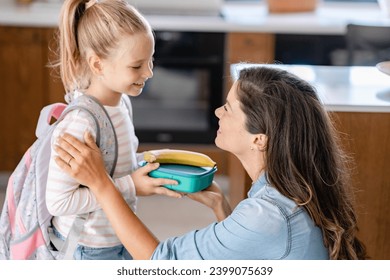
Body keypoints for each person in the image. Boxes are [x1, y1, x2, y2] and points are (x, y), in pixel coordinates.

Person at [53, 65, 368, 260]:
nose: (218, 112)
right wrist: (222, 211)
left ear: (260, 138)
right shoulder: (283, 188)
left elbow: (161, 263)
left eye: (229, 108)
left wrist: (101, 184)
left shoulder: (268, 215)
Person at [46, 0, 179, 260]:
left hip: (119, 237)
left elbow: (110, 166)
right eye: (137, 66)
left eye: (150, 60)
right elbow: (59, 202)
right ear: (97, 65)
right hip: (87, 249)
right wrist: (131, 186)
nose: (149, 73)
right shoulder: (80, 123)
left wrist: (144, 162)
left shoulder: (122, 103)